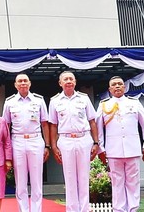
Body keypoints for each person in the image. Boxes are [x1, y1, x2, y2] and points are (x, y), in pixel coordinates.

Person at [96, 76, 144, 212]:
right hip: (113, 150)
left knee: (133, 182)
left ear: (124, 87)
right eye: (114, 85)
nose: (117, 86)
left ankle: (133, 209)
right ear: (109, 89)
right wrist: (101, 149)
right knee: (117, 183)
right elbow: (98, 130)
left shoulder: (134, 103)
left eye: (120, 84)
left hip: (132, 148)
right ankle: (119, 209)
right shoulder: (103, 105)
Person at [48, 71, 99, 212]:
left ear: (75, 82)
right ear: (60, 83)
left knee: (84, 177)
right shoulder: (55, 101)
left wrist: (96, 142)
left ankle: (84, 209)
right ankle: (72, 209)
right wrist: (53, 146)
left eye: (71, 79)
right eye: (65, 79)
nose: (69, 81)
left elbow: (92, 121)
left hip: (84, 139)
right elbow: (53, 125)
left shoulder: (84, 98)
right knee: (70, 177)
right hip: (65, 140)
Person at [2, 73, 50, 212]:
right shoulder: (9, 102)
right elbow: (6, 126)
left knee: (36, 180)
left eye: (25, 81)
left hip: (35, 140)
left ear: (30, 83)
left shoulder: (38, 100)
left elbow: (45, 124)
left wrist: (47, 145)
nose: (23, 83)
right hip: (17, 141)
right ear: (15, 85)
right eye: (20, 81)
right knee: (20, 181)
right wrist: (7, 149)